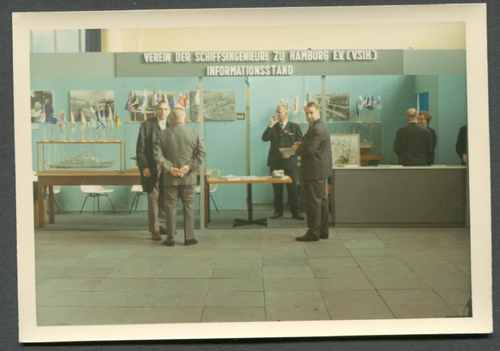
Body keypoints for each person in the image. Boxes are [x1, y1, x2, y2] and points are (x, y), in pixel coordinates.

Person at [153, 108, 206, 247]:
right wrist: (189, 167)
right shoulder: (195, 133)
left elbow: (157, 155)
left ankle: (170, 238)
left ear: (171, 119)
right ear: (185, 118)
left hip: (170, 177)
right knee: (189, 207)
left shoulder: (161, 134)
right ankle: (189, 238)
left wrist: (170, 167)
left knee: (170, 207)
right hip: (188, 177)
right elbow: (202, 153)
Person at [291, 102, 332, 241]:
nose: (309, 116)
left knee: (313, 202)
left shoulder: (316, 128)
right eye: (307, 113)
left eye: (311, 113)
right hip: (320, 170)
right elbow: (314, 145)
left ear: (318, 112)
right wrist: (302, 144)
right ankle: (323, 231)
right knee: (321, 201)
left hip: (314, 171)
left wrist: (297, 149)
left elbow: (309, 151)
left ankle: (313, 232)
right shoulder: (320, 125)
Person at [136, 101, 171, 241]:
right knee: (153, 199)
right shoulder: (146, 125)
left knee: (164, 198)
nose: (163, 112)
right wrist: (144, 167)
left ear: (169, 111)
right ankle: (154, 229)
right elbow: (140, 149)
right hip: (151, 168)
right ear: (155, 110)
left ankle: (161, 224)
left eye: (166, 109)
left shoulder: (172, 125)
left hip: (168, 169)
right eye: (160, 109)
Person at [262, 105, 304, 220]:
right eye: (276, 112)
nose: (277, 114)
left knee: (293, 189)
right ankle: (278, 211)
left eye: (279, 112)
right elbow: (264, 138)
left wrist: (291, 153)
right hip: (275, 163)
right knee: (277, 189)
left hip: (290, 162)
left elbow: (300, 143)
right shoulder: (273, 127)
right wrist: (270, 125)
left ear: (286, 113)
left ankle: (295, 212)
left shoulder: (295, 127)